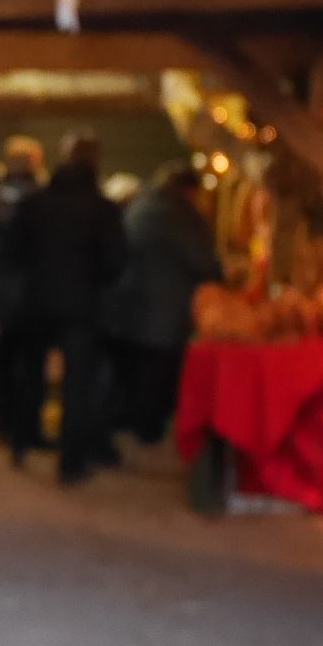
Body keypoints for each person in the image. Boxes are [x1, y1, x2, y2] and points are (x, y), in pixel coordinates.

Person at [12, 132, 126, 483]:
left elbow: (15, 251)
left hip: (36, 302)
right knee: (77, 385)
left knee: (31, 375)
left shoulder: (34, 204)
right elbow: (115, 261)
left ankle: (22, 441)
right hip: (81, 306)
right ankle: (71, 461)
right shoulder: (102, 209)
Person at [104, 162, 223, 444]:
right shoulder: (179, 216)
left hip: (135, 304)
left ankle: (136, 422)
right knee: (158, 371)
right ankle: (148, 428)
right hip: (164, 307)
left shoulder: (144, 205)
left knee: (141, 367)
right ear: (189, 190)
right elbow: (202, 259)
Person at [0, 135, 47, 458]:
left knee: (6, 363)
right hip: (30, 294)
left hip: (5, 291)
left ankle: (9, 422)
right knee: (27, 363)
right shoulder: (42, 197)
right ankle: (25, 426)